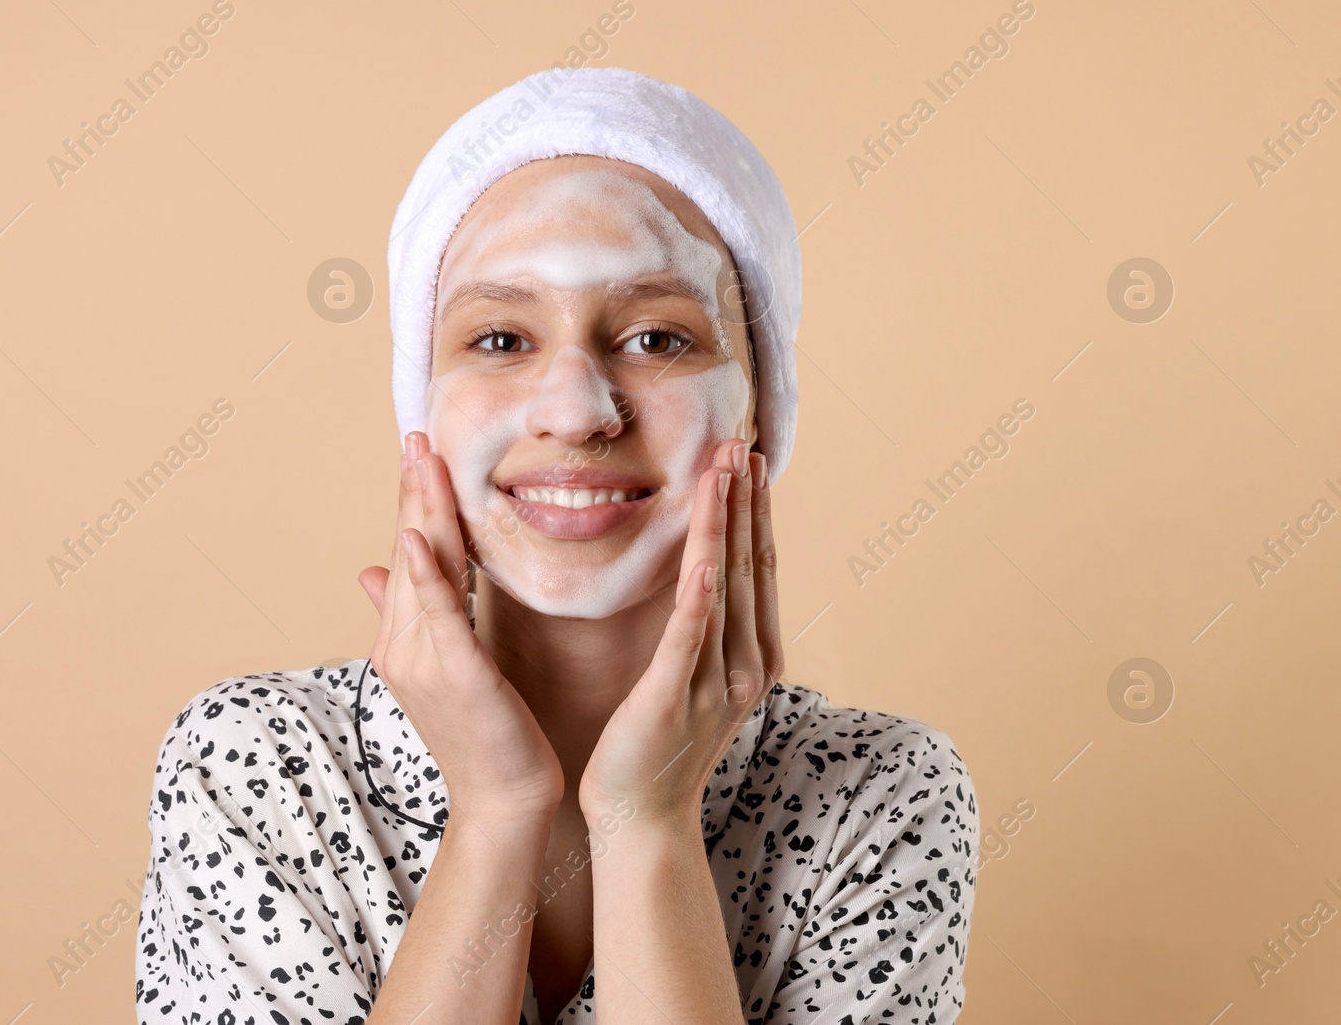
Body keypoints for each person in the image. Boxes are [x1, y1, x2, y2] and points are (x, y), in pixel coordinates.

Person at [135, 67, 977, 1025]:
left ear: (758, 416)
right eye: (499, 339)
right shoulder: (258, 763)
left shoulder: (878, 795)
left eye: (658, 338)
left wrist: (647, 823)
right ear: (423, 414)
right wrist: (495, 815)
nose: (577, 411)